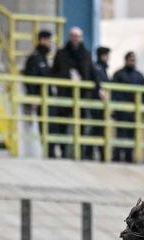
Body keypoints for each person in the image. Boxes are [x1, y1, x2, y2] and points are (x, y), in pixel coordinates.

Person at [49, 26, 99, 159]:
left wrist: (99, 89)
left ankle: (80, 152)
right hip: (65, 94)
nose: (75, 39)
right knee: (62, 124)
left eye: (77, 36)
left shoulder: (86, 54)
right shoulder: (61, 54)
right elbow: (54, 72)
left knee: (81, 125)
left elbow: (92, 74)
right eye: (73, 36)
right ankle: (62, 151)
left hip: (82, 97)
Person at [110, 51, 144, 163]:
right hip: (121, 111)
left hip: (134, 112)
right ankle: (117, 156)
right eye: (130, 60)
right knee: (120, 134)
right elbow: (114, 92)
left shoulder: (139, 76)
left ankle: (129, 157)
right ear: (126, 60)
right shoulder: (119, 75)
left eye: (134, 60)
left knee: (131, 135)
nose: (132, 62)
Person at [22, 29, 52, 122]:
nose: (50, 43)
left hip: (45, 99)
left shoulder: (44, 58)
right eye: (49, 41)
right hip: (37, 100)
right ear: (42, 40)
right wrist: (32, 96)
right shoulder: (34, 58)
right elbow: (30, 78)